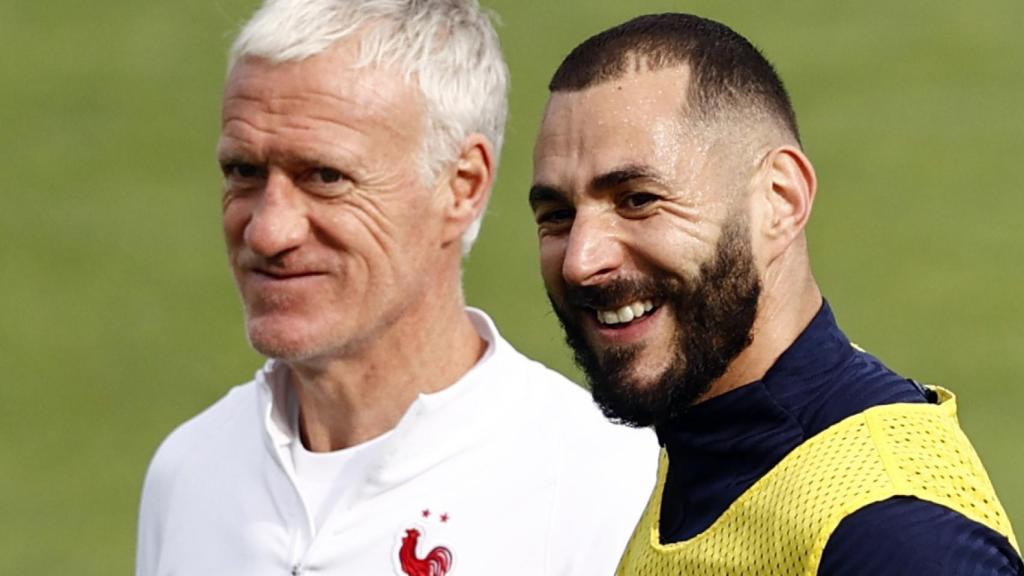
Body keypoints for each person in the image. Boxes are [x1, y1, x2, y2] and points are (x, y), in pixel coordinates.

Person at [135, 1, 659, 574]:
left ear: (462, 186)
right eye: (244, 172)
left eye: (325, 177)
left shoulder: (609, 487)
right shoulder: (187, 473)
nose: (267, 231)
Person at [530, 13, 1022, 575]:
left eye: (638, 199)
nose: (581, 260)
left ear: (780, 201)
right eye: (557, 215)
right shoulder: (699, 443)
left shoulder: (893, 532)